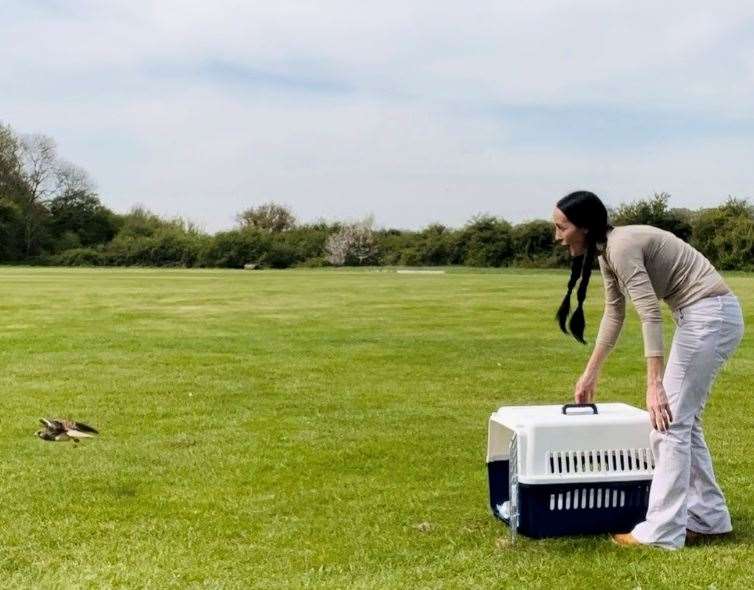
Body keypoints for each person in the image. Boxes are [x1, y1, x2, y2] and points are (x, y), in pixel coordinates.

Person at [552, 190, 744, 550]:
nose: (557, 236)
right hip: (706, 316)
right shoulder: (608, 250)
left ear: (584, 226)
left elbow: (650, 313)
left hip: (709, 316)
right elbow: (614, 313)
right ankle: (709, 517)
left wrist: (654, 384)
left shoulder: (621, 247)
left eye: (561, 227)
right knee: (682, 422)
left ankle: (662, 532)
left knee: (666, 422)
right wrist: (590, 373)